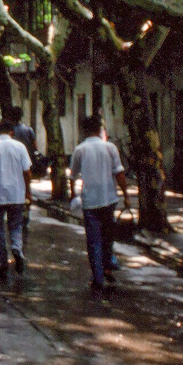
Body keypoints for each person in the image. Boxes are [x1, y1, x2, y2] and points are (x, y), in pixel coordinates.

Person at [70, 114, 130, 295]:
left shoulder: (80, 150)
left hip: (90, 202)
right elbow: (119, 173)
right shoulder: (110, 148)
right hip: (109, 199)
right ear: (99, 129)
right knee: (107, 237)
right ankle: (107, 267)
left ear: (85, 130)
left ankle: (98, 277)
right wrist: (126, 195)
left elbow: (72, 176)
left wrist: (73, 194)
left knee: (94, 241)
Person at [0, 118, 33, 280]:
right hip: (16, 194)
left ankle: (3, 264)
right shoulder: (20, 147)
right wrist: (28, 192)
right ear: (12, 132)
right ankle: (17, 248)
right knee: (16, 226)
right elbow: (27, 172)